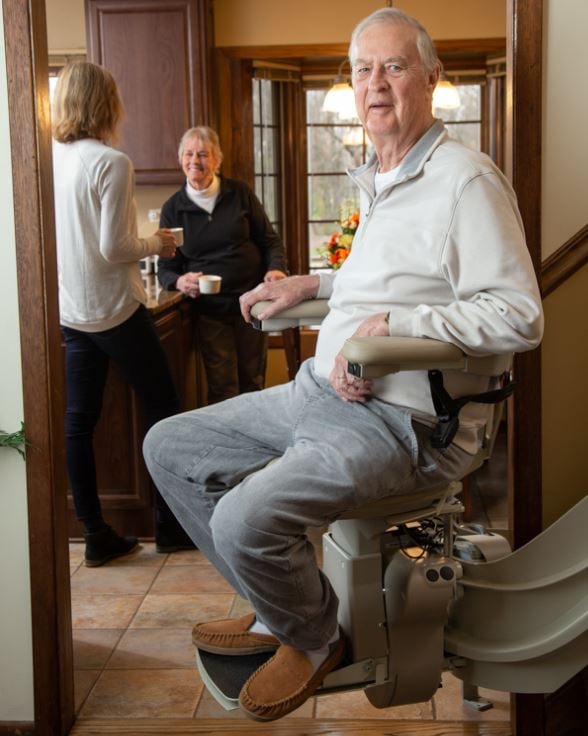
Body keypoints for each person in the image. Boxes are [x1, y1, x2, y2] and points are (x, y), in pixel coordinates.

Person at [143, 8, 544, 721]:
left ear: (430, 78)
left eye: (393, 66)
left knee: (241, 520)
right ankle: (283, 610)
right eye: (362, 70)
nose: (375, 84)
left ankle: (312, 635)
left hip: (404, 422)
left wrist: (396, 328)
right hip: (320, 394)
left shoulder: (465, 181)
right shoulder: (384, 178)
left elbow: (518, 314)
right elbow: (382, 285)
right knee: (169, 446)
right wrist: (311, 285)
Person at [52, 61, 194, 566]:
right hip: (115, 308)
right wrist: (159, 242)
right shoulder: (110, 161)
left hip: (72, 311)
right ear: (105, 103)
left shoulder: (51, 158)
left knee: (78, 423)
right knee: (165, 411)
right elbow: (115, 247)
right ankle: (171, 525)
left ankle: (94, 533)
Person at [156, 126, 288, 404]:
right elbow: (166, 268)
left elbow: (270, 241)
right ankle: (228, 447)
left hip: (252, 304)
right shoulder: (173, 208)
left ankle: (258, 446)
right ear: (181, 159)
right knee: (222, 388)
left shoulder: (239, 193)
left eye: (203, 154)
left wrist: (275, 269)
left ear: (217, 159)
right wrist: (180, 281)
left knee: (253, 383)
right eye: (189, 154)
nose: (195, 161)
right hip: (211, 312)